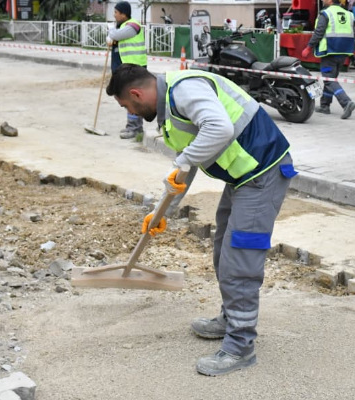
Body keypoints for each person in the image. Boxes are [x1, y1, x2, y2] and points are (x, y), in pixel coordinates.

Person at [106, 65, 296, 376]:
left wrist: (183, 160)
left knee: (240, 260)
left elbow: (218, 130)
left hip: (264, 173)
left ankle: (240, 346)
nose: (133, 112)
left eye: (128, 105)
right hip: (243, 177)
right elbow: (186, 167)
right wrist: (162, 211)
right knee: (223, 250)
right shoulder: (172, 108)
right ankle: (231, 319)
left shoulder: (185, 90)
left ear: (137, 93)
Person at [304, 0, 355, 119]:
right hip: (343, 51)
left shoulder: (326, 13)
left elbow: (319, 32)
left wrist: (309, 47)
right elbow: (353, 33)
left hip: (330, 51)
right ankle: (325, 106)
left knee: (329, 79)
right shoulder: (348, 14)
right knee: (331, 79)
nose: (322, 0)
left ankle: (346, 102)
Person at [107, 1, 148, 139]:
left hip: (136, 67)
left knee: (133, 98)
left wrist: (111, 31)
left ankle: (135, 128)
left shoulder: (133, 25)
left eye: (116, 12)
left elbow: (116, 36)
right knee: (128, 96)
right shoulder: (122, 25)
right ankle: (133, 126)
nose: (114, 15)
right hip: (128, 67)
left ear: (124, 14)